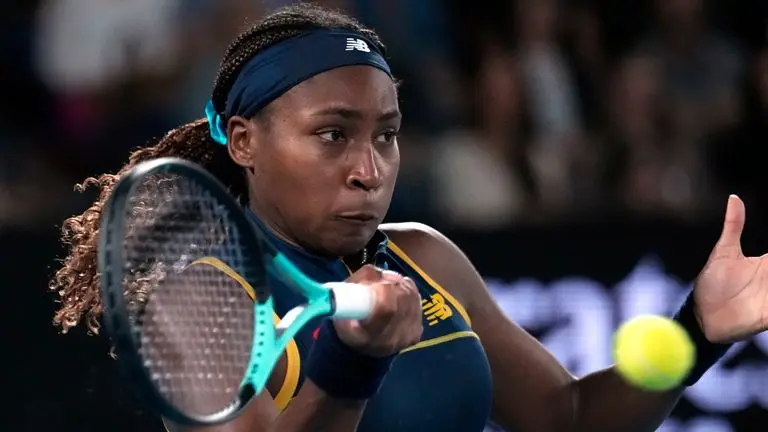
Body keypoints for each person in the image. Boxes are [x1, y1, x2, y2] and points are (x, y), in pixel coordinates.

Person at [50, 4, 768, 432]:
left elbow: (568, 419)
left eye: (386, 134)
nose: (369, 167)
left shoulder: (424, 257)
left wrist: (698, 329)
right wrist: (352, 361)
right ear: (244, 141)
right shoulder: (200, 298)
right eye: (333, 134)